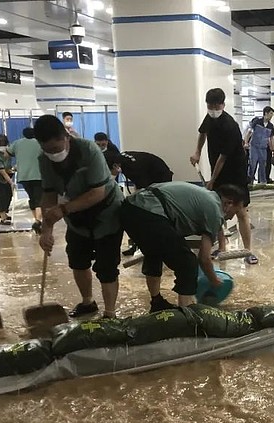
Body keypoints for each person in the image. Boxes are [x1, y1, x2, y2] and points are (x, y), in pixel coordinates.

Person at [34, 115, 124, 319]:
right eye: (48, 151)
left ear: (66, 137)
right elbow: (48, 194)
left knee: (106, 265)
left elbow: (97, 193)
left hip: (106, 212)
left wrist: (63, 210)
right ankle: (87, 302)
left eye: (57, 149)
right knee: (77, 259)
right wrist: (46, 230)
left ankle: (110, 313)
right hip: (75, 216)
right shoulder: (44, 160)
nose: (54, 154)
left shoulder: (88, 150)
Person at [120, 182, 247, 311]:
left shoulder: (205, 196)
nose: (232, 217)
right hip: (150, 212)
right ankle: (187, 314)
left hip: (130, 208)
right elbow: (203, 258)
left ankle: (156, 302)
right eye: (235, 212)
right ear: (228, 203)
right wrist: (214, 280)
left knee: (155, 252)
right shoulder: (214, 209)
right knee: (188, 263)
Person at [190, 88, 256, 264]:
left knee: (240, 210)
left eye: (215, 106)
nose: (212, 109)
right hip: (217, 169)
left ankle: (248, 250)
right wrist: (197, 152)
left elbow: (223, 157)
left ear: (223, 105)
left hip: (235, 171)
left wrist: (212, 180)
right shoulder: (209, 118)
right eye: (209, 106)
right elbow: (202, 133)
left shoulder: (230, 125)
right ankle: (222, 247)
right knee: (218, 209)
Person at [110, 150, 175, 256]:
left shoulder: (131, 167)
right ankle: (138, 245)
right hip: (152, 175)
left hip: (161, 178)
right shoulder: (121, 159)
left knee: (152, 213)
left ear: (115, 166)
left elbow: (143, 189)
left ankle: (154, 246)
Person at [8, 127, 44, 233]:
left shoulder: (17, 143)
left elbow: (7, 153)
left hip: (24, 176)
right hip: (38, 176)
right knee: (39, 199)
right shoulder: (40, 143)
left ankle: (36, 220)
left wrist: (17, 163)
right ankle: (38, 221)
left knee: (32, 198)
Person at [245, 106, 274, 184]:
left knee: (263, 165)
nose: (272, 115)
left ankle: (262, 182)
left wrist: (273, 149)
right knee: (252, 164)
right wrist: (246, 142)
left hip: (263, 148)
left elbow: (271, 138)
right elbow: (249, 132)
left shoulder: (270, 126)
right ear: (266, 113)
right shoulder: (257, 122)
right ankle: (249, 181)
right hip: (254, 147)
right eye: (271, 113)